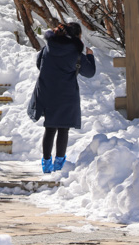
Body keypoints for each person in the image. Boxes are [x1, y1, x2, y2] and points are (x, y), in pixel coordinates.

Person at [27, 21, 96, 172]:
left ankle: (46, 164)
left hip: (47, 92)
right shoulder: (75, 52)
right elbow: (89, 72)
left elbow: (39, 64)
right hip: (66, 94)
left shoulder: (48, 48)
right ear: (76, 36)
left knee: (50, 128)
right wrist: (90, 56)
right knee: (63, 129)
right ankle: (59, 165)